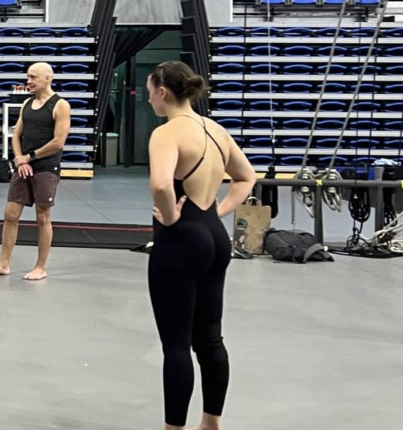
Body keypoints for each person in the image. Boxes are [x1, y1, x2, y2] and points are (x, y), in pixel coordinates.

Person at [144, 61, 255, 430]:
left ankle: (172, 427)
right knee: (209, 339)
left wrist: (172, 219)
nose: (148, 101)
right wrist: (217, 212)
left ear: (163, 91)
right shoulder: (217, 130)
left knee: (176, 345)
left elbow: (161, 186)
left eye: (149, 93)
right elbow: (246, 177)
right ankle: (211, 423)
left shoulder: (167, 133)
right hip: (213, 236)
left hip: (180, 241)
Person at [0, 62, 70, 280]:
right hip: (24, 167)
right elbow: (16, 135)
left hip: (46, 167)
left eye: (33, 77)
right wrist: (21, 162)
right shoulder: (27, 104)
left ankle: (40, 267)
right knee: (10, 213)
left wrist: (29, 157)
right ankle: (3, 263)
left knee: (42, 217)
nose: (28, 81)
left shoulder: (60, 105)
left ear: (48, 78)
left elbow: (58, 142)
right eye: (28, 77)